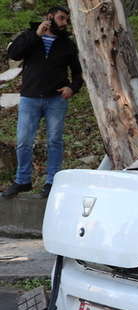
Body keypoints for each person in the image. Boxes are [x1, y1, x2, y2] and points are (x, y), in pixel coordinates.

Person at [2, 6, 82, 199]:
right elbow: (13, 54)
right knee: (23, 142)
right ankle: (23, 181)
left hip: (55, 100)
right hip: (30, 98)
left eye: (66, 20)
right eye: (61, 18)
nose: (64, 22)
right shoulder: (30, 35)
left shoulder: (67, 44)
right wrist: (35, 35)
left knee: (54, 141)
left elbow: (78, 72)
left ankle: (52, 181)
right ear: (49, 17)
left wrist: (72, 87)